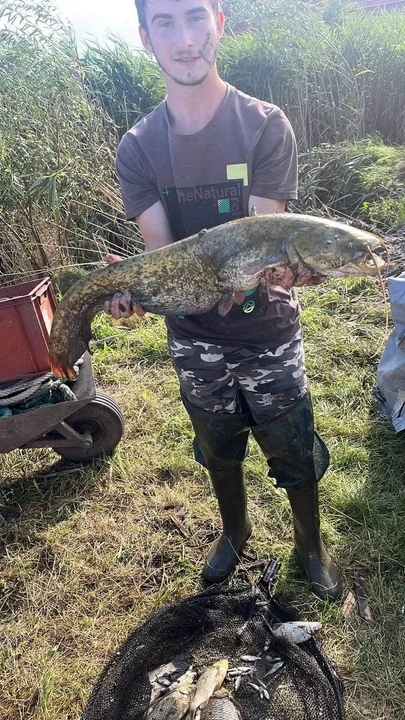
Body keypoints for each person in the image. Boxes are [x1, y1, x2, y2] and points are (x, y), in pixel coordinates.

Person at [105, 0, 342, 601]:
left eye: (194, 17)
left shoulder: (265, 125)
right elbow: (161, 255)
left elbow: (265, 241)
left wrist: (291, 270)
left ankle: (309, 546)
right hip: (194, 340)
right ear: (145, 37)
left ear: (219, 22)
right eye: (165, 23)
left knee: (292, 441)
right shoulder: (138, 147)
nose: (184, 39)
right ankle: (234, 534)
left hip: (268, 335)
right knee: (216, 443)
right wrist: (138, 292)